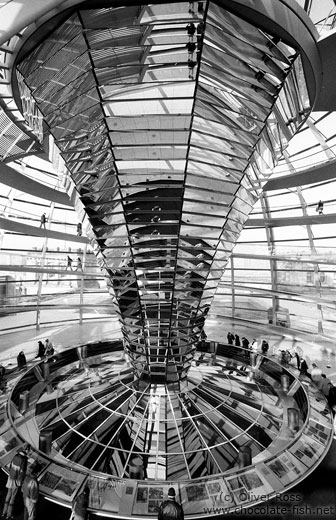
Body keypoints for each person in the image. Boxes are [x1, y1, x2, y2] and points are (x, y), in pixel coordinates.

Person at [2, 444, 30, 519]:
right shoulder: (24, 460)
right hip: (16, 480)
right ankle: (9, 514)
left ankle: (3, 512)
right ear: (26, 450)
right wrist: (20, 482)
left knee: (8, 495)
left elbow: (11, 466)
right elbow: (22, 473)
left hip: (10, 478)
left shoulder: (15, 456)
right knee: (13, 497)